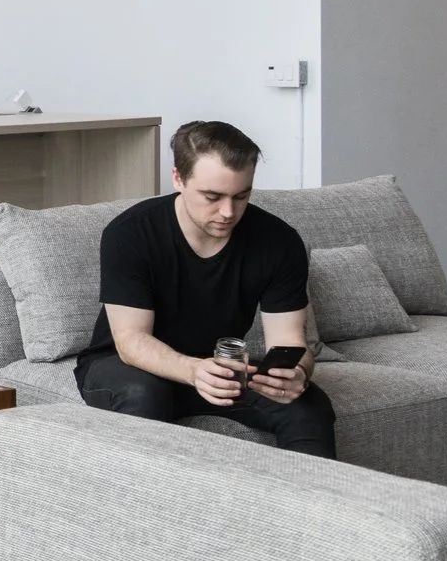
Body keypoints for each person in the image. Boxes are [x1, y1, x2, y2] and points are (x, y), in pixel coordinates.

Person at [76, 119, 334, 457]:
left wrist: (297, 372)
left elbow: (289, 342)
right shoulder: (131, 234)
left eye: (241, 196)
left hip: (216, 366)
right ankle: (146, 508)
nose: (228, 212)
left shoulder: (279, 242)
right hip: (125, 365)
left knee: (309, 405)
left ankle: (312, 508)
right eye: (212, 197)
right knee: (144, 394)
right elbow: (130, 343)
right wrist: (193, 370)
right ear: (178, 179)